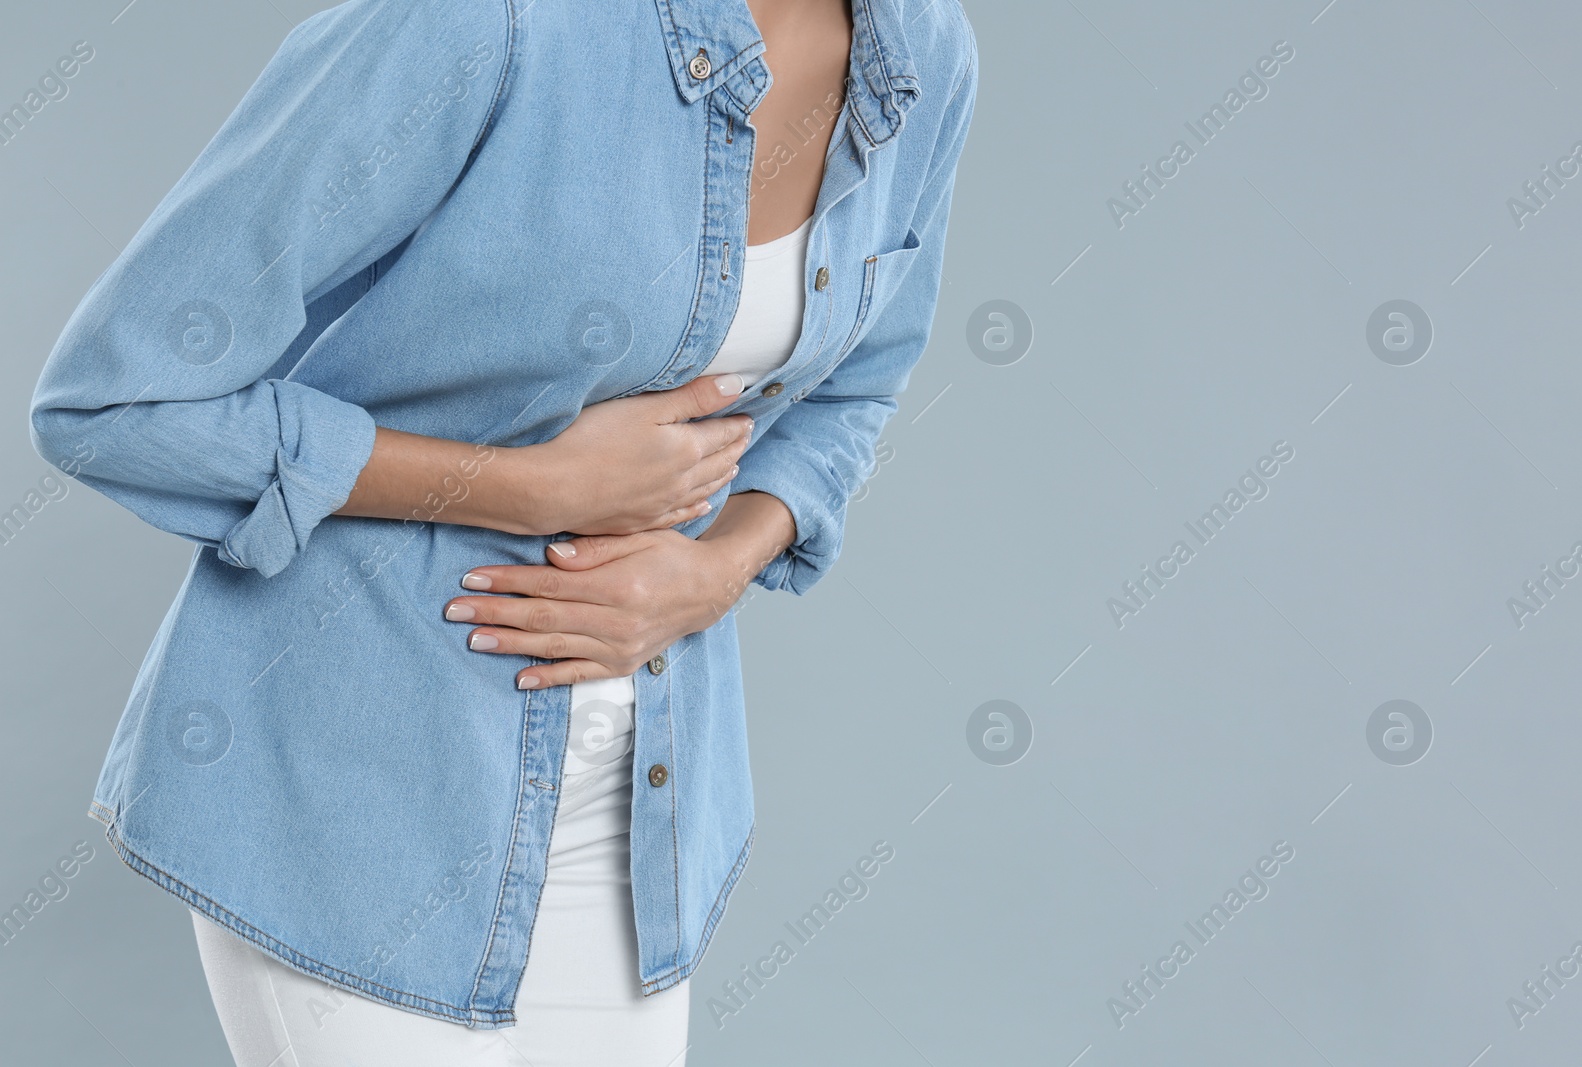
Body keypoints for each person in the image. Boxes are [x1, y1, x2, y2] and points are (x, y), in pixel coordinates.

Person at [28, 0, 978, 1062]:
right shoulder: (482, 24)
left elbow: (857, 389)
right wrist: (524, 488)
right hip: (354, 800)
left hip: (638, 824)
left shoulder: (920, 54)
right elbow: (114, 402)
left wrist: (716, 569)